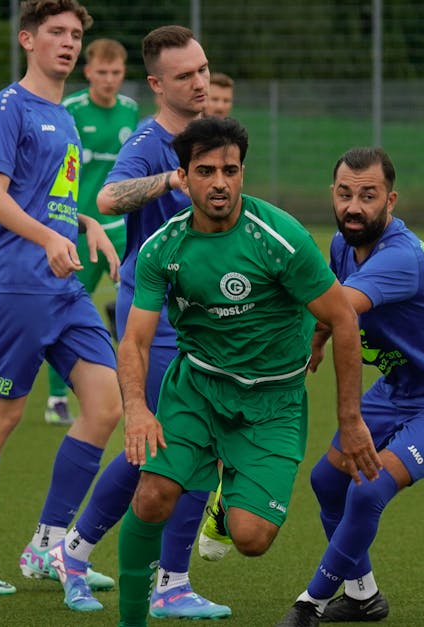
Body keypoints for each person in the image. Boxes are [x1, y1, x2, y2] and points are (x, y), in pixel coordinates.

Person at [114, 116, 383, 627]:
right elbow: (135, 339)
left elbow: (343, 318)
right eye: (206, 170)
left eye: (231, 170)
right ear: (184, 176)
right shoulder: (163, 249)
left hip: (272, 402)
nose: (220, 182)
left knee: (251, 538)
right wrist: (136, 409)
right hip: (197, 388)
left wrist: (350, 420)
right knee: (152, 497)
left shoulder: (278, 238)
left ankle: (225, 496)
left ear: (242, 173)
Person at [0, 0, 121, 611]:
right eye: (56, 33)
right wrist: (48, 236)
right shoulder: (6, 107)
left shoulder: (63, 117)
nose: (67, 43)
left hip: (62, 285)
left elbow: (50, 198)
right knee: (2, 415)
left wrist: (84, 220)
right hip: (15, 282)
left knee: (107, 404)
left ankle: (48, 542)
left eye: (75, 35)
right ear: (28, 40)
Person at [48, 25, 231, 618]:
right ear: (156, 84)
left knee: (203, 444)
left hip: (204, 316)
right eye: (185, 75)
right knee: (155, 446)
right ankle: (75, 553)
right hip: (152, 319)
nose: (200, 82)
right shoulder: (152, 141)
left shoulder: (214, 138)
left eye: (202, 70)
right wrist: (171, 179)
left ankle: (171, 582)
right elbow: (107, 199)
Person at [275, 147, 424, 627]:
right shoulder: (342, 244)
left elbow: (339, 307)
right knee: (327, 481)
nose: (354, 207)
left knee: (368, 489)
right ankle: (362, 597)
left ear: (390, 201)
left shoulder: (400, 257)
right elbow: (332, 305)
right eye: (345, 194)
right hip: (402, 387)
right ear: (332, 195)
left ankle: (309, 605)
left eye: (368, 196)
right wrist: (315, 340)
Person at [36, 38, 139, 426]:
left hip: (122, 228)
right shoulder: (72, 109)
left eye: (116, 73)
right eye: (102, 72)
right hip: (80, 228)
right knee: (64, 306)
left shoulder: (130, 110)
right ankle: (57, 398)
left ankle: (136, 390)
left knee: (140, 303)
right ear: (88, 72)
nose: (109, 80)